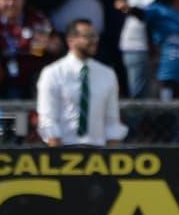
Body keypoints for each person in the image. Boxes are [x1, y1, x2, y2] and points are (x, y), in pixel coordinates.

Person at [34, 19, 127, 147]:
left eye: (95, 36)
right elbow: (47, 118)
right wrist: (56, 154)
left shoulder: (107, 74)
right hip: (65, 148)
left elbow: (112, 119)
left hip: (97, 152)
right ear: (71, 41)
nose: (94, 40)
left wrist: (112, 156)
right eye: (88, 36)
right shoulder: (53, 73)